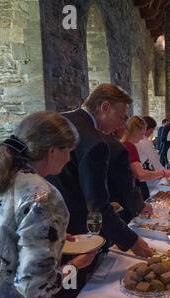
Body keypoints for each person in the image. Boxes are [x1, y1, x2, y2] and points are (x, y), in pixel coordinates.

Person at [47, 84, 153, 259]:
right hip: (76, 227)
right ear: (104, 107)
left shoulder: (59, 119)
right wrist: (131, 241)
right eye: (120, 116)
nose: (121, 123)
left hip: (49, 219)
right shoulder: (96, 142)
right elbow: (97, 204)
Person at [0, 112, 96, 298]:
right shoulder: (44, 196)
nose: (69, 158)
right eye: (69, 149)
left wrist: (52, 239)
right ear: (52, 151)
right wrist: (76, 264)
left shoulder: (8, 175)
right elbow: (35, 287)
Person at [121, 116, 170, 200]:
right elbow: (141, 174)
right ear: (135, 131)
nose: (142, 137)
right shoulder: (131, 146)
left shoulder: (121, 143)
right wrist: (163, 173)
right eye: (141, 134)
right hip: (130, 186)